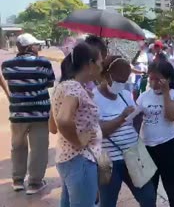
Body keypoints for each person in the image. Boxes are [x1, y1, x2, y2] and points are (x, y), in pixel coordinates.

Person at [93, 56, 156, 207]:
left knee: (148, 197)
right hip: (106, 160)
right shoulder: (93, 98)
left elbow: (133, 122)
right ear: (106, 75)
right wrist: (121, 118)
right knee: (107, 201)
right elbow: (98, 131)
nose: (121, 84)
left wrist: (137, 116)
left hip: (134, 154)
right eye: (118, 80)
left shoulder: (126, 95)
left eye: (124, 80)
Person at [1, 33, 55, 194]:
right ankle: (34, 183)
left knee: (18, 146)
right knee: (39, 148)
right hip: (40, 114)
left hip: (18, 114)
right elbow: (50, 82)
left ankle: (17, 181)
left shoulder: (7, 65)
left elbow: (10, 82)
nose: (39, 47)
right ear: (30, 47)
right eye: (37, 45)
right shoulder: (43, 63)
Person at [51, 42, 103, 207]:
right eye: (100, 63)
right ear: (90, 64)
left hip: (67, 158)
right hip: (80, 160)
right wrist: (78, 140)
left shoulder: (64, 87)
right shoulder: (74, 89)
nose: (101, 68)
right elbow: (63, 120)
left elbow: (52, 126)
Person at [136, 60, 174, 207]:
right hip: (147, 148)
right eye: (151, 78)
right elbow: (135, 120)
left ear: (168, 79)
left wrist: (166, 93)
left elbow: (171, 115)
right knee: (149, 190)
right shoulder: (144, 96)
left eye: (158, 79)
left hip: (169, 147)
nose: (154, 83)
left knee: (171, 187)